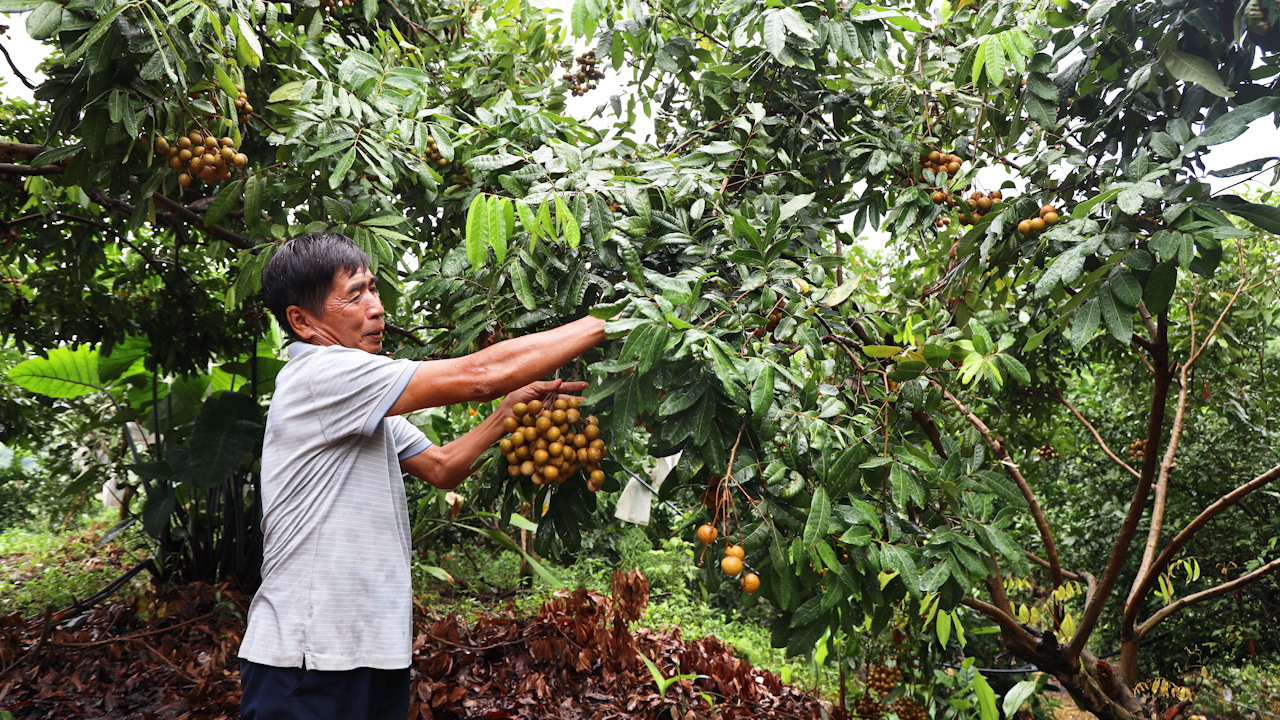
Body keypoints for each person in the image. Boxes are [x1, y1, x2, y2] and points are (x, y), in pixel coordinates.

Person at [238, 231, 606, 719]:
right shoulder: (323, 375)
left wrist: (510, 411)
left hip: (367, 653)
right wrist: (609, 322)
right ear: (302, 322)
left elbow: (442, 467)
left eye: (373, 288)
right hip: (308, 659)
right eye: (355, 294)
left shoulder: (360, 395)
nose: (376, 307)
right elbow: (479, 376)